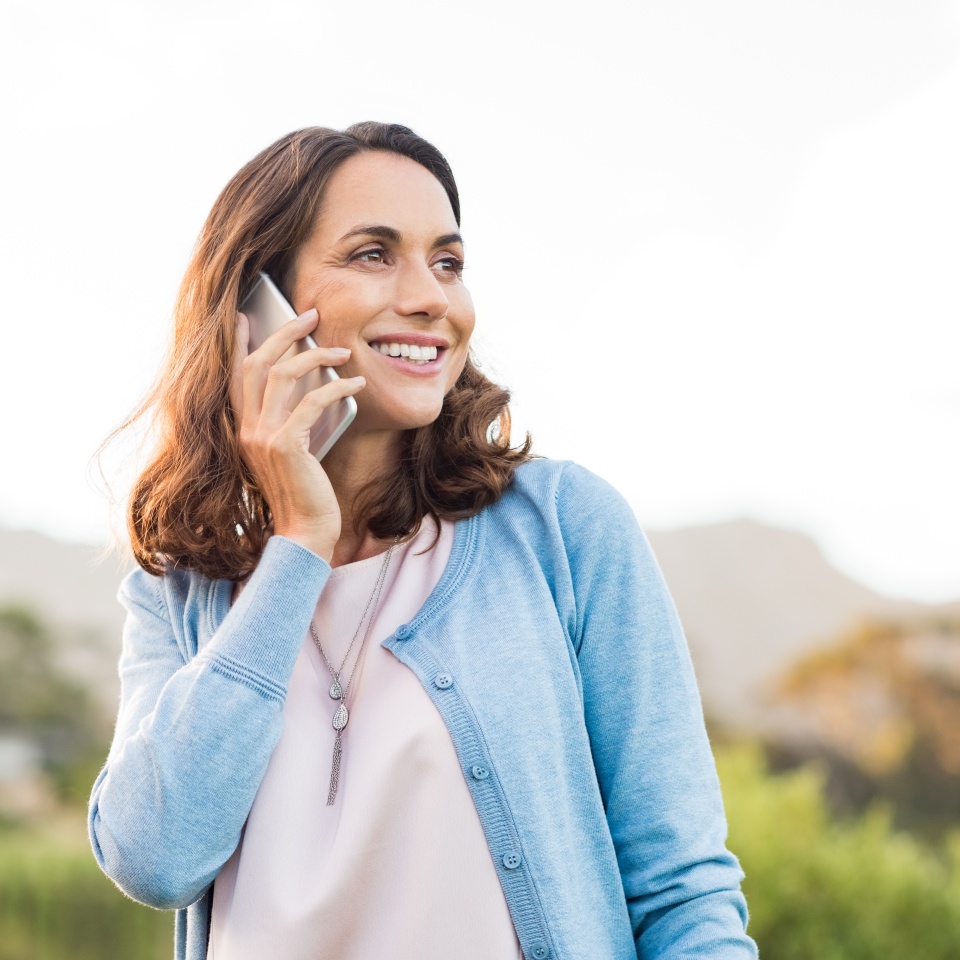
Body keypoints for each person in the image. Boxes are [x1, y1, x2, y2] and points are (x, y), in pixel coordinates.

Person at [89, 122, 758, 960]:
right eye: (373, 254)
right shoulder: (182, 589)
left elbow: (684, 893)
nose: (433, 298)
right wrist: (297, 547)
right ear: (258, 306)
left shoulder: (562, 532)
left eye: (448, 262)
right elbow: (152, 859)